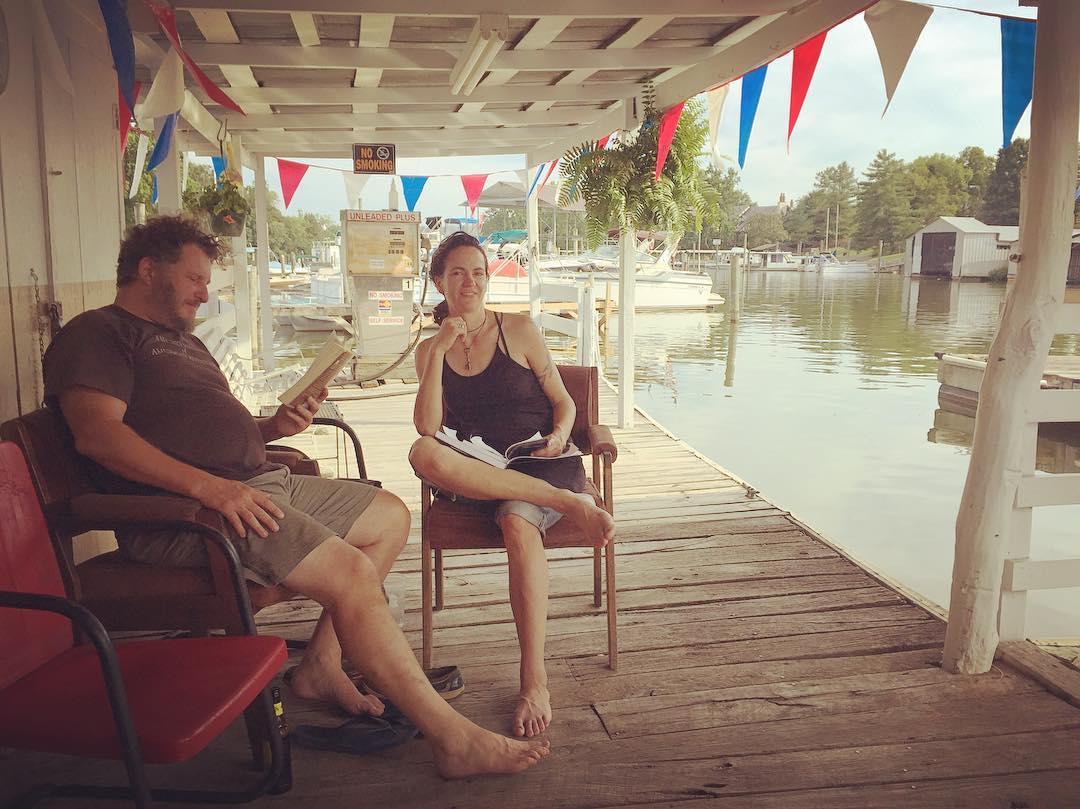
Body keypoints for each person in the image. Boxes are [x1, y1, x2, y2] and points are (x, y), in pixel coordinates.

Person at [42, 215, 548, 778]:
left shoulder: (182, 344)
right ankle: (453, 740)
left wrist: (274, 427)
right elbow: (99, 436)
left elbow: (206, 433)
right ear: (146, 269)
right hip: (194, 513)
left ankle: (322, 666)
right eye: (194, 279)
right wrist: (211, 487)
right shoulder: (98, 334)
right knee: (352, 572)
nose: (205, 293)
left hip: (255, 484)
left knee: (387, 517)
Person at [409, 231, 616, 739]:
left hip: (537, 461)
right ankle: (567, 504)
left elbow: (564, 402)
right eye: (457, 272)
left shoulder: (519, 330)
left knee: (516, 519)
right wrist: (437, 351)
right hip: (477, 470)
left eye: (478, 272)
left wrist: (560, 435)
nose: (470, 282)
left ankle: (534, 680)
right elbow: (427, 427)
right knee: (421, 452)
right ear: (439, 281)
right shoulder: (426, 349)